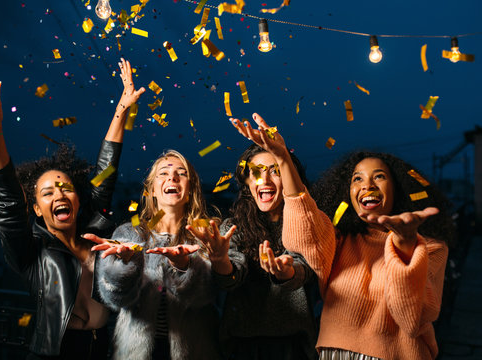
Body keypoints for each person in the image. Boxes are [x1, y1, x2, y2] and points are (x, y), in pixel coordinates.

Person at [0, 58, 145, 359]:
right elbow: (9, 204)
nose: (59, 194)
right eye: (47, 193)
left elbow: (106, 171)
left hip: (104, 347)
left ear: (78, 200)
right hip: (55, 352)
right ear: (37, 209)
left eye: (65, 188)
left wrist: (121, 110)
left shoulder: (96, 234)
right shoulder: (31, 252)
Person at [281, 149, 453, 360]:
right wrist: (282, 159)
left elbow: (410, 319)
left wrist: (406, 245)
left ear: (398, 187)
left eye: (379, 176)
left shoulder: (430, 248)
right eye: (357, 178)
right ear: (347, 191)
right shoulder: (337, 240)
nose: (367, 185)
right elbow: (302, 228)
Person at [189, 113, 319, 359]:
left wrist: (287, 272)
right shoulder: (233, 226)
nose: (265, 180)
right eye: (257, 172)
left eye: (275, 171)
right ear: (247, 181)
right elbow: (231, 278)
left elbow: (307, 269)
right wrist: (219, 259)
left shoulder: (305, 222)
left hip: (294, 346)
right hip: (242, 346)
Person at [84, 149, 223, 360]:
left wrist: (184, 265)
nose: (172, 177)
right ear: (152, 190)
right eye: (163, 173)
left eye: (181, 173)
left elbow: (207, 296)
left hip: (195, 351)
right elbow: (115, 299)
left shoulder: (206, 236)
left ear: (191, 189)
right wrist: (125, 266)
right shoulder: (128, 233)